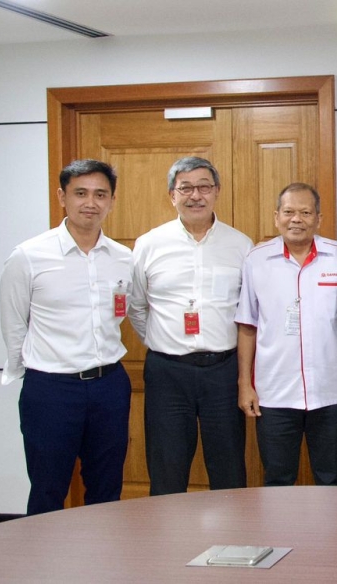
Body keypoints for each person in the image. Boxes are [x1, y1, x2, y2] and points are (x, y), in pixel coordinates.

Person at [0, 159, 133, 515]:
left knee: (106, 489)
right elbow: (13, 324)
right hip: (51, 390)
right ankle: (43, 570)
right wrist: (27, 374)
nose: (91, 202)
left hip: (109, 387)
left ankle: (102, 568)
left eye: (100, 194)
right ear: (62, 197)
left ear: (111, 200)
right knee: (48, 488)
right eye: (81, 193)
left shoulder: (123, 258)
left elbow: (129, 311)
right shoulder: (29, 256)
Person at [128, 156, 252, 495]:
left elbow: (249, 312)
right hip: (167, 372)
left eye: (203, 187)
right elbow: (136, 306)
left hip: (223, 372)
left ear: (216, 192)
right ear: (172, 195)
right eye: (186, 188)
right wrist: (160, 340)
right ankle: (168, 546)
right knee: (167, 468)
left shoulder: (240, 245)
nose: (195, 195)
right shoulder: (149, 244)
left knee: (228, 469)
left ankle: (233, 542)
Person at [235, 183, 337, 486]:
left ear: (318, 218)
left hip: (331, 392)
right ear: (276, 216)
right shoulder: (256, 259)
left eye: (305, 212)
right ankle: (278, 536)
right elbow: (246, 325)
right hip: (274, 393)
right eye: (289, 212)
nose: (297, 219)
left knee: (331, 477)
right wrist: (245, 384)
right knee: (278, 479)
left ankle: (332, 535)